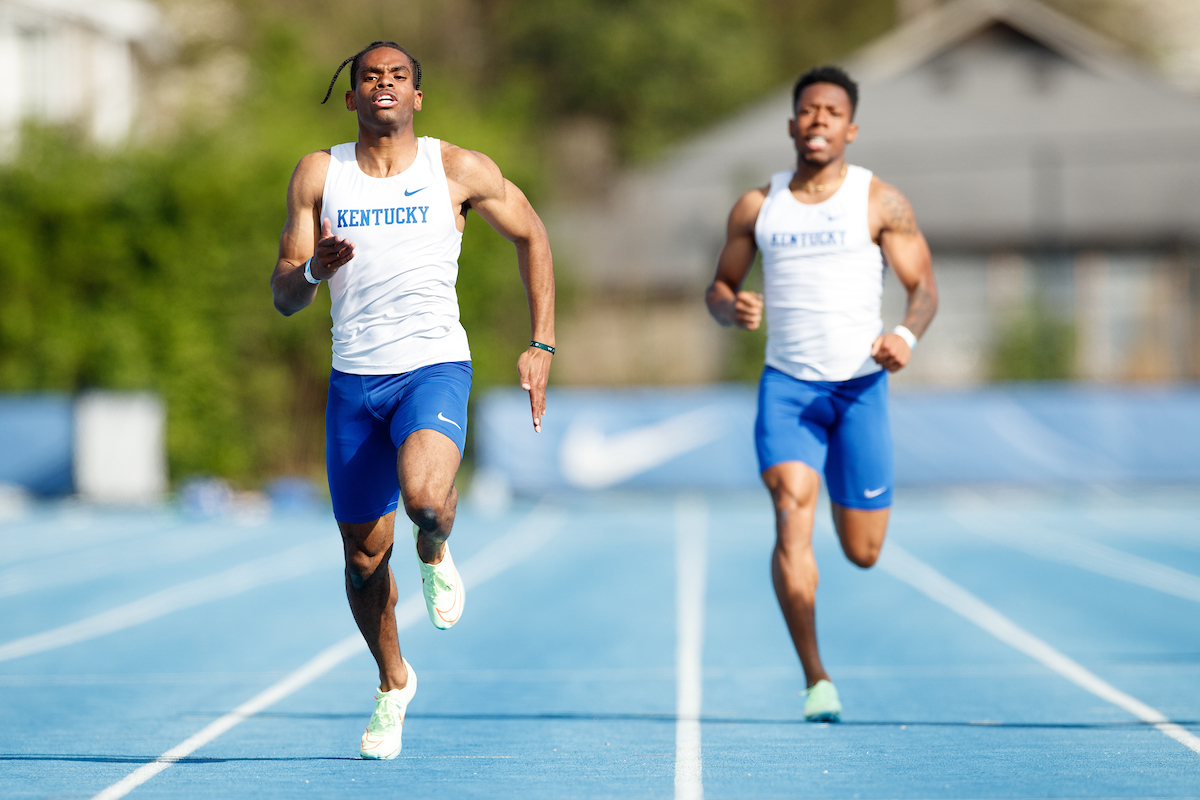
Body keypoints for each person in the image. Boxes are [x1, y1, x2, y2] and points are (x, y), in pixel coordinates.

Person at [271, 41, 555, 758]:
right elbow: (282, 295)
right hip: (354, 382)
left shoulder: (455, 168)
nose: (384, 86)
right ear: (353, 96)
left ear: (417, 96)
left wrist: (541, 343)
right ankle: (393, 681)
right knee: (363, 561)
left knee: (426, 499)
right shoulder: (319, 173)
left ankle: (435, 544)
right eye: (371, 77)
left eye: (398, 77)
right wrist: (313, 269)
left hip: (432, 366)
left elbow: (532, 234)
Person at [705, 65, 937, 722]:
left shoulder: (879, 202)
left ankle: (849, 506)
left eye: (831, 112)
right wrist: (730, 308)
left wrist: (906, 337)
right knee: (789, 509)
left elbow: (925, 290)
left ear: (851, 128)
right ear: (791, 123)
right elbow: (717, 287)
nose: (818, 121)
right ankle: (816, 677)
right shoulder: (758, 206)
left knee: (863, 552)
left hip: (860, 390)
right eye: (808, 111)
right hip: (788, 392)